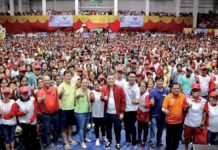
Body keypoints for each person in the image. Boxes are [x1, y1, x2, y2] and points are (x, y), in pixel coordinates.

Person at [101, 73, 126, 150]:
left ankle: (118, 142)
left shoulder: (120, 88)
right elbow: (101, 96)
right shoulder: (104, 88)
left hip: (116, 113)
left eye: (112, 78)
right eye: (109, 79)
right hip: (107, 113)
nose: (110, 80)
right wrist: (103, 98)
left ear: (114, 79)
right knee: (108, 128)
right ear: (107, 80)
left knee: (117, 128)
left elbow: (123, 100)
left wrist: (122, 112)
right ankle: (109, 140)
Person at [36, 75, 59, 148]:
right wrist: (42, 99)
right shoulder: (40, 91)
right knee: (47, 130)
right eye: (45, 80)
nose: (47, 81)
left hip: (55, 113)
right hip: (45, 115)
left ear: (50, 81)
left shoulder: (55, 89)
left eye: (48, 80)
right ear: (42, 82)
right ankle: (48, 143)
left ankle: (56, 141)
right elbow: (38, 100)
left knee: (56, 128)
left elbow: (59, 97)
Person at [162, 82, 186, 150]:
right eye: (174, 88)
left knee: (177, 139)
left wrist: (187, 107)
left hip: (179, 123)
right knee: (168, 138)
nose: (176, 90)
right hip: (169, 122)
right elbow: (163, 107)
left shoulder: (183, 97)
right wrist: (164, 110)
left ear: (180, 89)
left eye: (177, 88)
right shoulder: (167, 97)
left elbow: (184, 109)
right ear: (171, 89)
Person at [183, 83, 207, 150]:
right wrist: (187, 107)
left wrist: (203, 122)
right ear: (192, 91)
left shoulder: (204, 101)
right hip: (188, 123)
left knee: (197, 140)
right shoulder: (187, 99)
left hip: (198, 124)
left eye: (197, 90)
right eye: (194, 90)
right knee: (186, 138)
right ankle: (186, 148)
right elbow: (183, 111)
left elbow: (204, 112)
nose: (195, 91)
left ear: (199, 91)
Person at [57, 70, 77, 150]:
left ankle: (70, 138)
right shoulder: (60, 87)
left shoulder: (73, 85)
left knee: (70, 126)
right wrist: (61, 94)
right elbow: (58, 97)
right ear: (63, 77)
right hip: (63, 110)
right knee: (64, 127)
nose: (68, 77)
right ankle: (65, 142)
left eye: (70, 76)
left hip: (72, 109)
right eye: (67, 76)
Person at [149, 76, 169, 149]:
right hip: (154, 114)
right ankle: (152, 143)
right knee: (153, 130)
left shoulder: (166, 91)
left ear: (163, 81)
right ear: (155, 82)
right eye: (158, 81)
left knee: (160, 129)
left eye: (161, 81)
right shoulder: (153, 91)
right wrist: (152, 101)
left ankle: (158, 142)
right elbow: (151, 99)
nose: (159, 82)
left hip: (163, 114)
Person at [123, 71, 140, 147]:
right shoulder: (124, 85)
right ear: (128, 77)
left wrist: (135, 101)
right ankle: (128, 139)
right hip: (125, 109)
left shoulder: (137, 88)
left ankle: (134, 140)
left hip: (133, 110)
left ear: (135, 78)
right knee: (126, 126)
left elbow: (137, 101)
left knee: (132, 126)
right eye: (131, 77)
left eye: (133, 77)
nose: (132, 78)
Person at [74, 78, 92, 149]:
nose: (85, 84)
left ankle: (84, 138)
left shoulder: (89, 90)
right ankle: (81, 141)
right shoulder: (77, 91)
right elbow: (75, 97)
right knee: (81, 128)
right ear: (81, 83)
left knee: (85, 127)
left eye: (86, 83)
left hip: (88, 111)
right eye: (83, 83)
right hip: (80, 112)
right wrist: (79, 95)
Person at [90, 79, 107, 146]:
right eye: (94, 84)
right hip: (95, 113)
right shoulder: (92, 92)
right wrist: (92, 98)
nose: (95, 85)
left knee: (103, 126)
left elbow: (106, 98)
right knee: (96, 126)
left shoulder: (103, 91)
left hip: (103, 112)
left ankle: (103, 136)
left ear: (99, 84)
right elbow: (91, 100)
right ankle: (97, 138)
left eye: (97, 84)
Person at [137, 81, 150, 147]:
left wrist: (143, 104)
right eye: (141, 86)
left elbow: (148, 104)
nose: (142, 87)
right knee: (139, 127)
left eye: (144, 86)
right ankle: (139, 139)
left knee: (145, 128)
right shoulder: (138, 93)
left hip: (145, 113)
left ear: (146, 87)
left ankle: (144, 140)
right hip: (139, 112)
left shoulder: (147, 95)